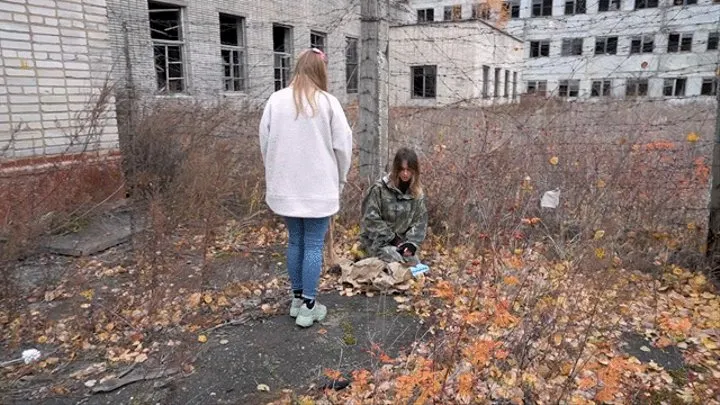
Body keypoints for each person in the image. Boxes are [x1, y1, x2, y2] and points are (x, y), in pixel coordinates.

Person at [259, 48, 353, 328]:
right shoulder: (328, 103)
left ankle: (297, 299)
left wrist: (273, 173)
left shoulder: (276, 101)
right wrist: (341, 178)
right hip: (319, 188)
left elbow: (265, 142)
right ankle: (310, 305)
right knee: (313, 244)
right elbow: (343, 146)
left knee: (294, 241)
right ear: (321, 71)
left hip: (285, 187)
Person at [359, 148, 428, 264]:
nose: (405, 173)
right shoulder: (379, 189)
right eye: (402, 169)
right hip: (377, 243)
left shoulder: (417, 194)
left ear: (414, 171)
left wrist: (410, 245)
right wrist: (393, 239)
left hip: (402, 245)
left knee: (415, 264)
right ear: (396, 169)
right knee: (397, 260)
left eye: (409, 170)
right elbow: (370, 220)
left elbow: (419, 224)